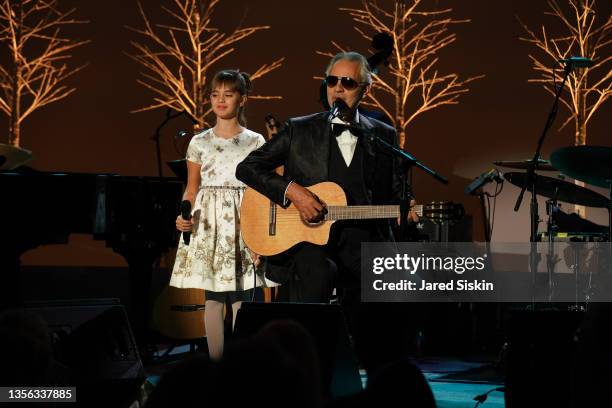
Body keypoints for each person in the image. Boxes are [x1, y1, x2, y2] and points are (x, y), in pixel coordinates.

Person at [236, 52, 418, 372]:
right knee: (317, 274)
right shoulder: (300, 129)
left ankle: (378, 377)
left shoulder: (382, 134)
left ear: (365, 88)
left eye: (347, 82)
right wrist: (293, 192)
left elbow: (396, 192)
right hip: (308, 242)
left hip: (364, 238)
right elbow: (248, 168)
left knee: (389, 290)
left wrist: (407, 209)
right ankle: (306, 371)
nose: (338, 88)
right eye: (332, 81)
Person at [170, 69, 270, 361]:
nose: (221, 100)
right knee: (213, 300)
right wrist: (183, 216)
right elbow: (191, 189)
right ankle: (217, 368)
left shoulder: (255, 141)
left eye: (228, 94)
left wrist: (260, 236)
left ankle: (240, 365)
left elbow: (262, 191)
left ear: (242, 100)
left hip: (244, 220)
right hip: (209, 224)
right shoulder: (199, 142)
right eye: (216, 94)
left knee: (242, 298)